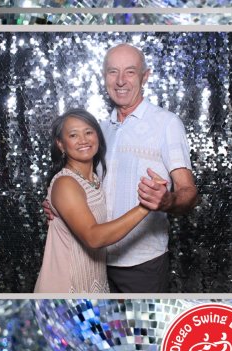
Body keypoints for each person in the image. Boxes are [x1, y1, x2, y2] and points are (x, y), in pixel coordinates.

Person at [45, 43, 198, 293]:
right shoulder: (100, 130)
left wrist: (167, 201)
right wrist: (59, 205)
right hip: (96, 261)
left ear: (145, 77)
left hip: (142, 264)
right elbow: (83, 183)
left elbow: (188, 191)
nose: (120, 81)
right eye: (113, 72)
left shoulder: (167, 124)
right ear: (104, 77)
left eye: (130, 72)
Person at [35, 109, 155, 293]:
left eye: (88, 132)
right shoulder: (66, 183)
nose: (83, 140)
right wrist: (145, 206)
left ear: (98, 136)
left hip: (95, 283)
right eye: (73, 135)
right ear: (60, 144)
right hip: (68, 288)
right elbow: (93, 237)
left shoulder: (95, 179)